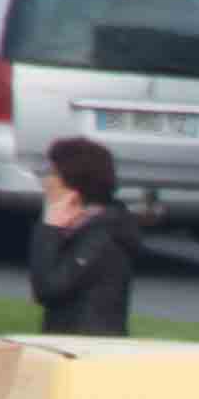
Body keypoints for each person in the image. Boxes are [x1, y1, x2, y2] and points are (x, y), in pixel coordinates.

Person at [26, 135, 141, 333]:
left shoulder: (102, 235)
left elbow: (48, 288)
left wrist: (49, 228)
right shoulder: (78, 227)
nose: (45, 181)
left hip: (88, 349)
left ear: (73, 183)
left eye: (52, 173)